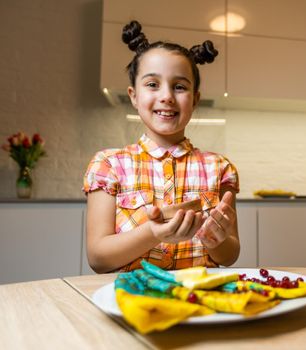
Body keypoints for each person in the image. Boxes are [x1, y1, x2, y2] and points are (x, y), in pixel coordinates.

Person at [83, 20, 240, 273]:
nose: (166, 96)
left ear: (195, 99)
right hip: (133, 302)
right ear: (134, 96)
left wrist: (217, 240)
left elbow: (230, 254)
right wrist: (153, 233)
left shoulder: (219, 168)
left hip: (198, 303)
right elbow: (98, 258)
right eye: (153, 84)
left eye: (179, 86)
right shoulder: (108, 165)